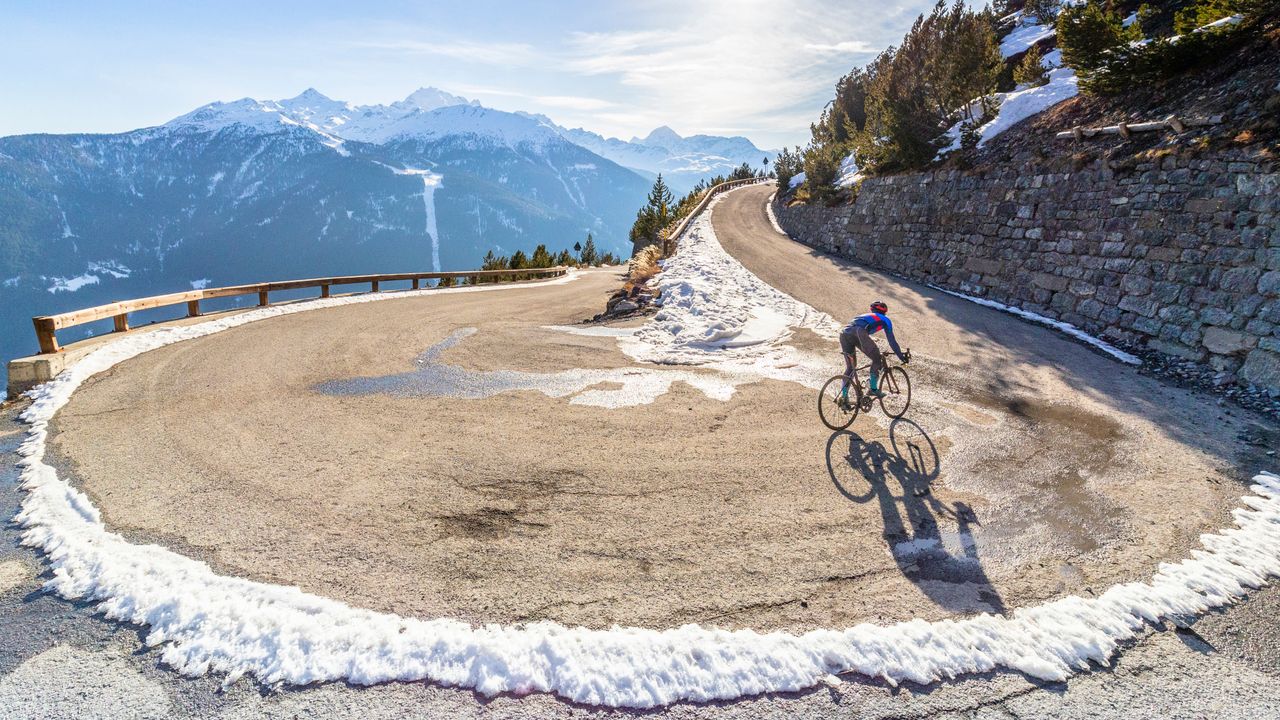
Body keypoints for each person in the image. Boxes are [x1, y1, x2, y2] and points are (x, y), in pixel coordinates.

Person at [840, 300, 908, 401]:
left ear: (872, 310)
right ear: (884, 312)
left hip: (844, 333)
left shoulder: (865, 316)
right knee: (877, 358)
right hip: (858, 332)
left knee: (851, 367)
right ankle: (873, 388)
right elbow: (892, 341)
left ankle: (843, 397)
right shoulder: (885, 319)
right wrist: (901, 357)